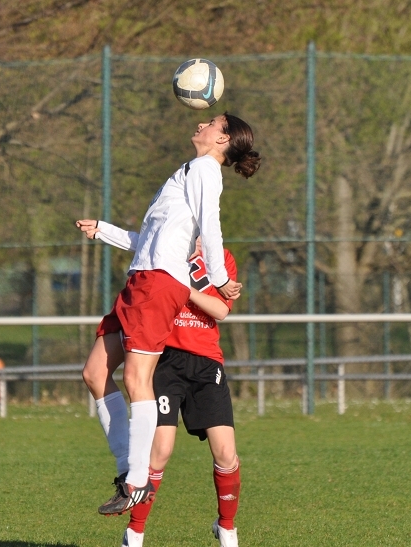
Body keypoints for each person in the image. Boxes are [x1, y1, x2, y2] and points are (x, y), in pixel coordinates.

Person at [76, 112, 260, 516]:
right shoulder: (191, 169)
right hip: (142, 279)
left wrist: (217, 277)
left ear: (222, 139)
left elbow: (210, 227)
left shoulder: (204, 169)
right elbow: (155, 242)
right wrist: (105, 231)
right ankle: (130, 469)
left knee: (137, 378)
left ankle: (136, 478)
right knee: (94, 373)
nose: (199, 125)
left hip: (158, 285)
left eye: (210, 123)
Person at [78, 222, 241, 547]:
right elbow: (137, 243)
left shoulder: (221, 260)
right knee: (160, 451)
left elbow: (221, 309)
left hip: (206, 362)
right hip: (164, 359)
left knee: (226, 452)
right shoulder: (163, 255)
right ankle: (135, 533)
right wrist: (104, 231)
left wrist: (183, 289)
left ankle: (226, 527)